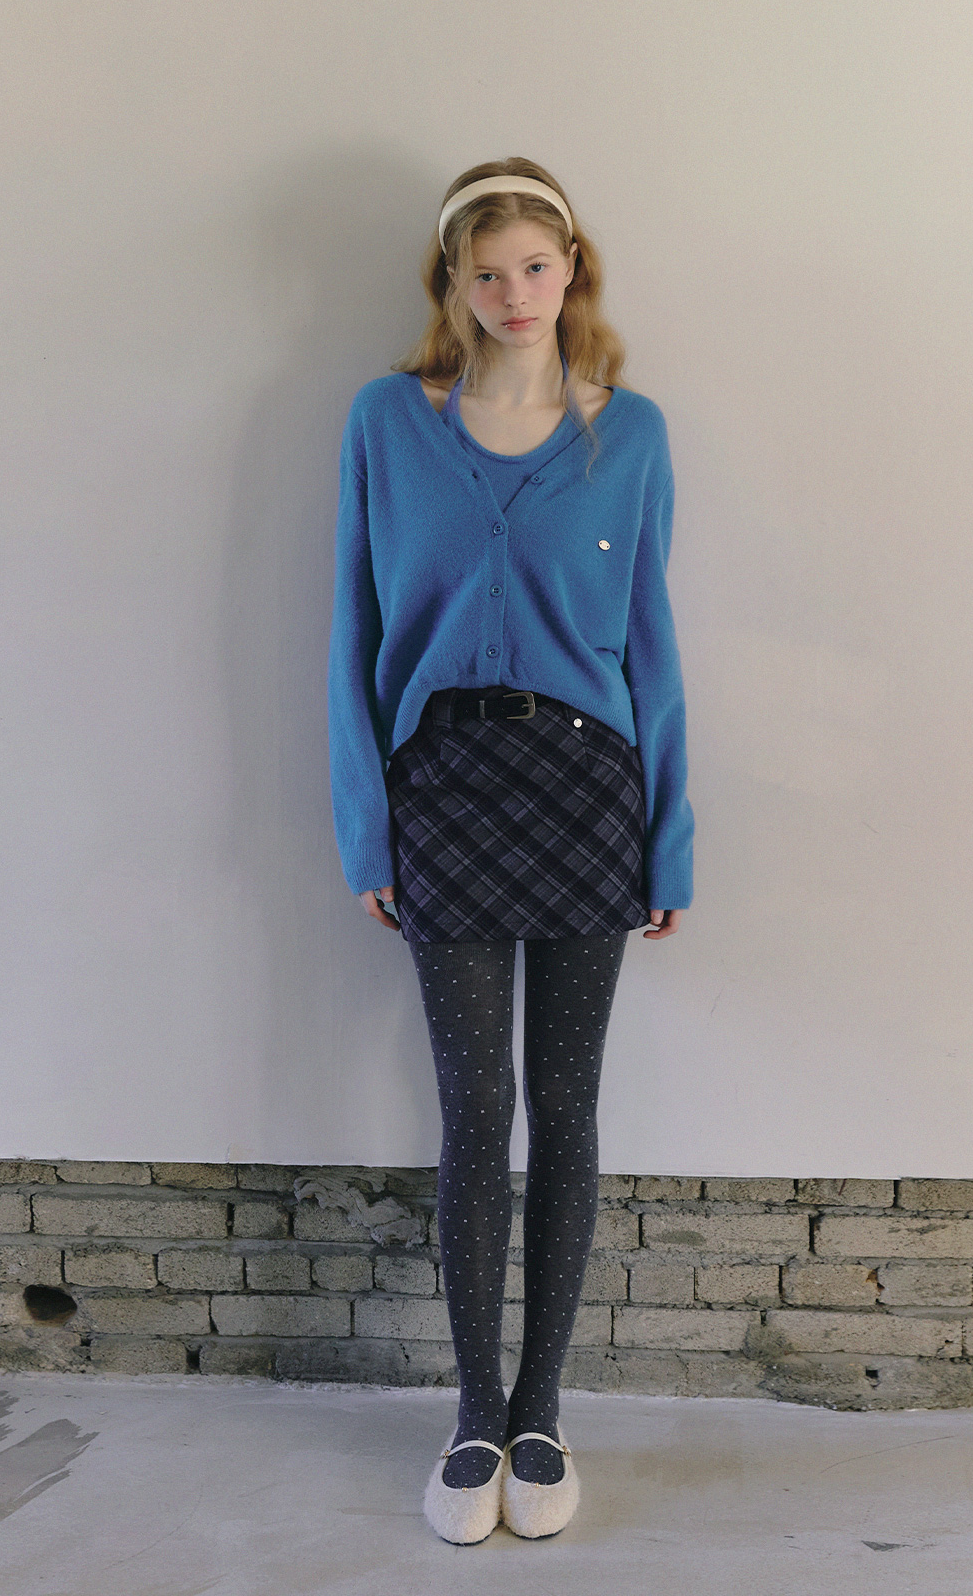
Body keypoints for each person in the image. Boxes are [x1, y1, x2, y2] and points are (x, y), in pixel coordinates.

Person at [326, 158, 694, 1544]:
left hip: (591, 790)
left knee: (567, 1105)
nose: (514, 293)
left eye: (536, 265)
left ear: (572, 268)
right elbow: (353, 630)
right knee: (476, 1112)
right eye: (487, 271)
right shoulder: (387, 420)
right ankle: (474, 1414)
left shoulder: (630, 434)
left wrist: (672, 839)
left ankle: (544, 1411)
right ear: (453, 282)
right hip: (443, 792)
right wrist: (366, 822)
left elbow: (650, 642)